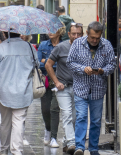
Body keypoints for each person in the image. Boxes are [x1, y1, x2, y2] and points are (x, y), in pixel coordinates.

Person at [67, 21, 116, 155]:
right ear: (87, 33)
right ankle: (80, 147)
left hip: (98, 89)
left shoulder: (107, 45)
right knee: (81, 117)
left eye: (97, 38)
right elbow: (70, 62)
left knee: (95, 120)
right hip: (81, 88)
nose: (94, 40)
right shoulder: (77, 44)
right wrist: (83, 69)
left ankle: (93, 148)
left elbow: (112, 65)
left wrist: (102, 71)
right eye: (92, 37)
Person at [0, 31, 39, 155]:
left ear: (5, 33)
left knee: (5, 122)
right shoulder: (29, 48)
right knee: (19, 121)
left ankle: (4, 150)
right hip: (23, 91)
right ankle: (17, 151)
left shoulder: (1, 48)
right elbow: (36, 65)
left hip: (4, 91)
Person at [45, 23, 84, 155]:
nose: (76, 36)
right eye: (73, 34)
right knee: (66, 114)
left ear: (82, 34)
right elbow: (48, 64)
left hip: (79, 87)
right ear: (68, 34)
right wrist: (56, 82)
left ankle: (67, 143)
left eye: (79, 34)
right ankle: (72, 143)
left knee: (74, 117)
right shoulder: (61, 47)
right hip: (63, 88)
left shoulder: (85, 47)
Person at [37, 28, 65, 148]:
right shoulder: (43, 45)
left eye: (53, 30)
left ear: (60, 32)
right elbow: (38, 62)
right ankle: (48, 129)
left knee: (54, 109)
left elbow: (63, 63)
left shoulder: (64, 45)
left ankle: (54, 137)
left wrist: (47, 61)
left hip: (59, 80)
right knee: (45, 109)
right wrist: (51, 63)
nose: (50, 32)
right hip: (45, 81)